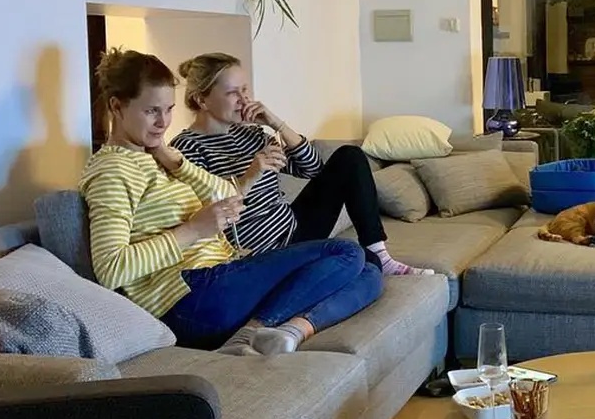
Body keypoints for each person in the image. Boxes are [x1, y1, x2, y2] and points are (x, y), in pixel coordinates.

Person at [79, 49, 381, 357]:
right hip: (188, 296)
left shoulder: (157, 156)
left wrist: (176, 162)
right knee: (346, 252)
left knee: (369, 267)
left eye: (168, 110)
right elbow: (110, 269)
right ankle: (253, 331)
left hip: (220, 276)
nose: (163, 122)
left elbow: (225, 195)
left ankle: (288, 332)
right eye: (151, 111)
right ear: (116, 106)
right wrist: (193, 230)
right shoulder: (112, 169)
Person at [170, 53, 434, 277]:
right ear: (201, 100)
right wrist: (249, 176)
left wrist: (276, 123)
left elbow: (313, 169)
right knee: (365, 266)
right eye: (232, 93)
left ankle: (381, 254)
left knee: (350, 157)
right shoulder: (186, 148)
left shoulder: (250, 134)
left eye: (245, 90)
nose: (244, 100)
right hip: (261, 253)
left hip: (296, 229)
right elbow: (205, 216)